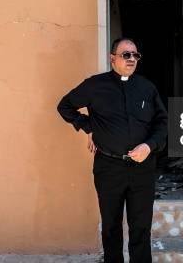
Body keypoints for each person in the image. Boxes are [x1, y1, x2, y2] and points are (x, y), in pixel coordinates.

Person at [57, 37, 168, 263]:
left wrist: (149, 146)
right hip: (109, 168)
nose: (131, 59)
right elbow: (65, 106)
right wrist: (88, 127)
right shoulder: (94, 86)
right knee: (111, 227)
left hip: (142, 169)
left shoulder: (147, 88)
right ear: (112, 58)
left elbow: (163, 123)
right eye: (126, 54)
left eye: (135, 55)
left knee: (141, 228)